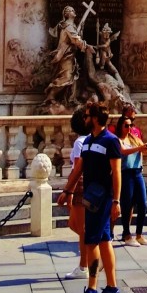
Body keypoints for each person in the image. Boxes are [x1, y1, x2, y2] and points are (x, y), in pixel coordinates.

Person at [57, 101, 122, 293]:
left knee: (91, 240)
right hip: (90, 196)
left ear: (94, 118)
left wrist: (116, 200)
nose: (84, 119)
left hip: (103, 198)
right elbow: (78, 170)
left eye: (86, 116)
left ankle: (92, 290)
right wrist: (67, 190)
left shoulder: (111, 141)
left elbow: (117, 173)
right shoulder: (86, 142)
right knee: (103, 240)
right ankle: (112, 288)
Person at [115, 114, 147, 246]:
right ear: (120, 126)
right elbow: (124, 151)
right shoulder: (118, 140)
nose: (129, 128)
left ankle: (139, 234)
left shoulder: (135, 138)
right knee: (127, 204)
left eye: (131, 125)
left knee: (143, 203)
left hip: (137, 172)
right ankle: (126, 234)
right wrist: (139, 148)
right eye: (126, 125)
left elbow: (143, 150)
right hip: (126, 173)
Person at [62, 107, 89, 280]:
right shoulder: (91, 139)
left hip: (80, 186)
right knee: (74, 225)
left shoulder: (80, 142)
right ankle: (95, 255)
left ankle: (84, 266)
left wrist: (69, 191)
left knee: (82, 229)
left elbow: (78, 168)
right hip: (85, 186)